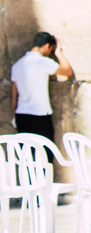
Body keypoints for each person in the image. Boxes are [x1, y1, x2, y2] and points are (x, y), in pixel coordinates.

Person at [11, 32, 73, 162]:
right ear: (47, 46)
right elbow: (67, 71)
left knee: (26, 158)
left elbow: (14, 96)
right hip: (40, 115)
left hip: (21, 115)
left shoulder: (17, 65)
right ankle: (44, 183)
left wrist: (14, 118)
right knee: (44, 158)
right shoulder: (42, 62)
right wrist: (59, 53)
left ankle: (28, 183)